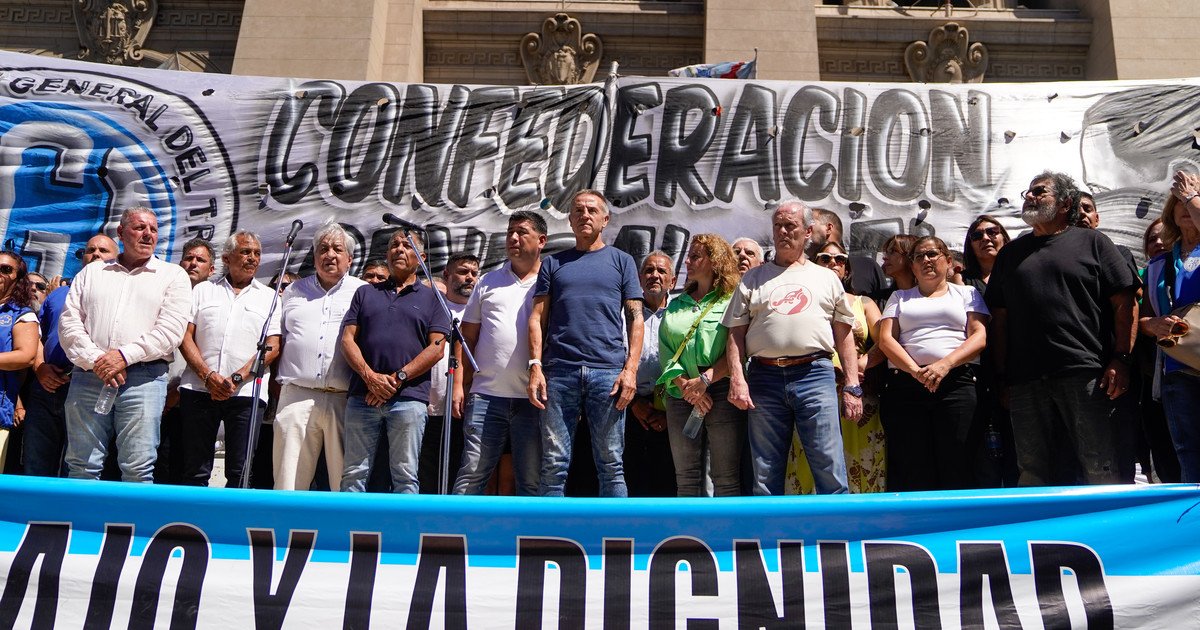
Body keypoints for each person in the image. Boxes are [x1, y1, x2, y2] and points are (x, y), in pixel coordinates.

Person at [986, 171, 1139, 486]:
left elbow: (1125, 303)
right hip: (1024, 380)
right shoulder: (1010, 254)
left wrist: (1121, 359)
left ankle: (1107, 533)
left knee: (1099, 463)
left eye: (1040, 191)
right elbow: (999, 320)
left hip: (1084, 373)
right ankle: (1037, 532)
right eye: (1028, 191)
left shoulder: (1094, 242)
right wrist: (1003, 377)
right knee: (1031, 470)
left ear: (1065, 202)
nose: (1030, 196)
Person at [724, 200, 863, 495]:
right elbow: (735, 334)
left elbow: (844, 335)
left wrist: (852, 385)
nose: (783, 232)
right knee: (764, 474)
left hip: (815, 376)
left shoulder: (826, 277)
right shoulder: (753, 278)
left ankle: (836, 538)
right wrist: (738, 378)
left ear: (808, 231)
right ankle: (770, 540)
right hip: (764, 378)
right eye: (778, 226)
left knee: (829, 466)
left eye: (791, 226)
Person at [59, 208, 192, 482]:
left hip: (144, 379)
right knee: (81, 466)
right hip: (89, 376)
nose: (148, 235)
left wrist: (122, 356)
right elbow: (69, 323)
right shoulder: (92, 273)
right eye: (140, 228)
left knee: (138, 468)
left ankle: (134, 527)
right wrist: (99, 360)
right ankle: (84, 525)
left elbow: (170, 331)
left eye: (153, 230)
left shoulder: (172, 275)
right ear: (120, 232)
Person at [528, 189, 643, 497]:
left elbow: (636, 318)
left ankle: (617, 541)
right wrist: (535, 366)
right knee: (553, 464)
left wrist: (630, 369)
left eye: (592, 210)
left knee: (611, 463)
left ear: (605, 219)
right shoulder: (553, 264)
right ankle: (550, 539)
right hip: (559, 372)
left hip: (607, 373)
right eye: (578, 210)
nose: (585, 216)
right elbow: (537, 318)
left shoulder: (622, 261)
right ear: (570, 219)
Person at [340, 230, 450, 493]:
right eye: (394, 245)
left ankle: (405, 535)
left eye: (407, 245)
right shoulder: (365, 293)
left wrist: (396, 379)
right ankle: (348, 532)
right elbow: (347, 340)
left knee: (405, 474)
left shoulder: (433, 297)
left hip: (409, 398)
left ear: (421, 258)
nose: (399, 249)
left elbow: (437, 348)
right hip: (362, 396)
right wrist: (371, 378)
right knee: (354, 473)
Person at [877, 236, 989, 490]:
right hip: (906, 387)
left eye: (932, 254)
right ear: (913, 267)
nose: (926, 261)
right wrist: (916, 371)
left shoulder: (967, 293)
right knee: (912, 466)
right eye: (919, 257)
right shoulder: (899, 297)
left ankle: (959, 528)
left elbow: (979, 336)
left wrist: (944, 365)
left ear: (948, 261)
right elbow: (886, 339)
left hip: (957, 384)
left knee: (958, 462)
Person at [177, 231, 281, 487]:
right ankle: (194, 525)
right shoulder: (202, 291)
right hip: (199, 390)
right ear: (226, 257)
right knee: (194, 470)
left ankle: (231, 526)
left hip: (247, 394)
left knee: (241, 471)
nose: (252, 258)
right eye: (246, 252)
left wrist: (237, 378)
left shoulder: (270, 297)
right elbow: (185, 337)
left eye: (257, 253)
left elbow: (273, 346)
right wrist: (208, 376)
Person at [454, 211, 547, 496]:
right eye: (510, 232)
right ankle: (455, 537)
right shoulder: (488, 281)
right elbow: (467, 338)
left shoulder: (550, 281)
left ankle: (530, 540)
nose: (513, 238)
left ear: (541, 240)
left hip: (534, 400)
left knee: (531, 481)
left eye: (521, 232)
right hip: (486, 396)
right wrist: (459, 384)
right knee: (471, 475)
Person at [786, 240, 886, 494]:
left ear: (847, 268)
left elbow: (886, 340)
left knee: (861, 462)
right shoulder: (800, 299)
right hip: (812, 391)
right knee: (812, 462)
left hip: (859, 395)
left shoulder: (863, 303)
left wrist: (863, 362)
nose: (833, 264)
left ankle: (862, 528)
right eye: (825, 259)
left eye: (840, 259)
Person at [273, 223, 367, 490]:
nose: (330, 255)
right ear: (314, 257)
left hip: (345, 399)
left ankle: (342, 531)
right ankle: (286, 530)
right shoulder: (293, 291)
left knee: (345, 483)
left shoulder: (362, 293)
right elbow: (278, 339)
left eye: (338, 249)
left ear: (349, 259)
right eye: (323, 249)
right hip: (297, 395)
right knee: (288, 482)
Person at [23, 234, 117, 477]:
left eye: (103, 251)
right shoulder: (57, 294)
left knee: (78, 467)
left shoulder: (119, 295)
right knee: (36, 465)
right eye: (90, 250)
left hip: (90, 386)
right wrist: (40, 367)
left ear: (117, 257)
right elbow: (38, 336)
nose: (95, 254)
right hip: (46, 388)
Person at [658, 235, 741, 496]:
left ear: (715, 261)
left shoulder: (732, 299)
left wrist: (705, 381)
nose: (688, 261)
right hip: (681, 394)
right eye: (689, 256)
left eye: (696, 256)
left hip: (721, 391)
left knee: (725, 476)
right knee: (686, 475)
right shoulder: (676, 304)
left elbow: (738, 348)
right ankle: (688, 536)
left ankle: (728, 536)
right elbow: (666, 350)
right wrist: (687, 386)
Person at [1142, 171, 1200, 482]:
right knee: (1188, 452)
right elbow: (1144, 319)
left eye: (1192, 197)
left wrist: (1192, 197)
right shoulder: (1158, 264)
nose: (1185, 202)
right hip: (1178, 368)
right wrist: (1155, 325)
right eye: (1177, 200)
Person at [157, 237, 216, 484]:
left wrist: (178, 393)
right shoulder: (163, 293)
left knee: (184, 471)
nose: (193, 264)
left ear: (212, 269)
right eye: (188, 258)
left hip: (192, 399)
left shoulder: (214, 301)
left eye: (200, 260)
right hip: (154, 396)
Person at [419, 252, 477, 493]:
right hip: (427, 404)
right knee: (425, 474)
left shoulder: (478, 312)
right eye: (463, 272)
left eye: (474, 273)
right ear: (447, 274)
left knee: (458, 474)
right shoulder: (431, 306)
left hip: (464, 409)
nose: (470, 278)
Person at [624, 251, 677, 497]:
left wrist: (668, 411)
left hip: (673, 411)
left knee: (668, 482)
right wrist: (634, 404)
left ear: (673, 282)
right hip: (629, 408)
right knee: (632, 480)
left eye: (661, 271)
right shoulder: (624, 315)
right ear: (639, 278)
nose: (654, 275)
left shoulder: (681, 315)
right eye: (648, 270)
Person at [1134, 216, 1180, 483]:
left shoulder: (1189, 268)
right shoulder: (1142, 278)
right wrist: (1153, 324)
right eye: (1152, 239)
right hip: (1154, 376)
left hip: (1189, 370)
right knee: (1164, 450)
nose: (1159, 242)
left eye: (1165, 236)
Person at [0, 252, 39, 469]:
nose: (0, 273)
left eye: (6, 269)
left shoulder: (22, 315)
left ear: (18, 278)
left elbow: (26, 355)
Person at [809, 208, 888, 299]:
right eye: (825, 258)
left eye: (809, 223)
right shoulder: (801, 270)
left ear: (829, 228)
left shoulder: (868, 267)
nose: (804, 229)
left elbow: (883, 307)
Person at [960, 215, 1011, 295]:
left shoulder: (1020, 270)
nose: (985, 238)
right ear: (970, 246)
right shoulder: (961, 279)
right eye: (977, 236)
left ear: (1003, 237)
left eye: (992, 232)